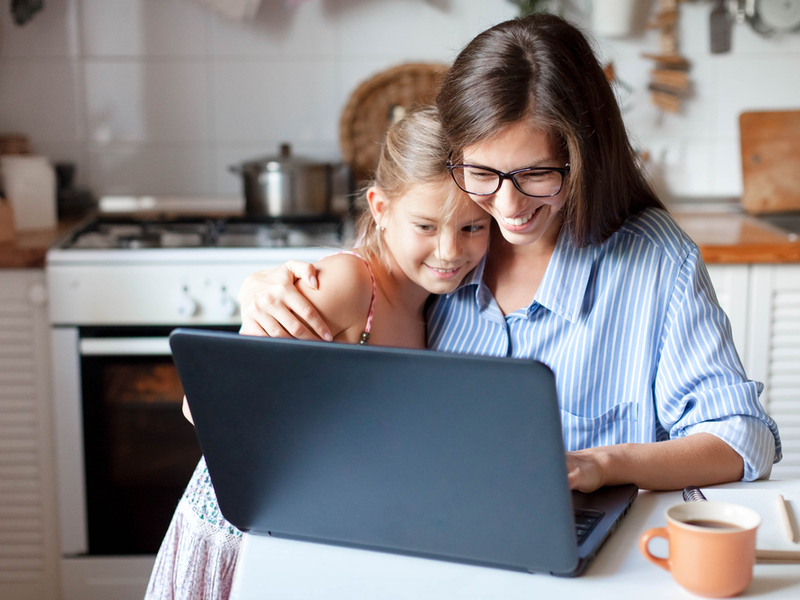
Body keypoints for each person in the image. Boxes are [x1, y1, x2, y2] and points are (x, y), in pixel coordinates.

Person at [236, 14, 782, 494]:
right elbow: (363, 284)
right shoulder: (455, 239)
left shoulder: (656, 261)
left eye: (536, 175)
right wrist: (261, 293)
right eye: (483, 173)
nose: (508, 206)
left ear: (583, 157)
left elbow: (742, 437)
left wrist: (605, 463)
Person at [144, 106, 492, 600]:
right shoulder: (350, 285)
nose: (449, 251)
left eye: (472, 228)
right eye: (426, 226)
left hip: (317, 528)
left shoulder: (435, 305)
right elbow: (202, 406)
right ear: (380, 207)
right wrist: (249, 326)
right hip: (243, 529)